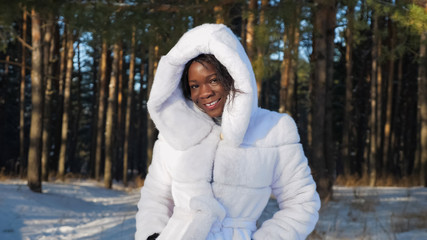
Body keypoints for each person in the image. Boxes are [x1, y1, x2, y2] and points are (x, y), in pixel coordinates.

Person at [135, 23, 320, 240]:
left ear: (234, 75)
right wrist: (153, 235)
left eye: (213, 80)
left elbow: (301, 202)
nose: (204, 93)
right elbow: (155, 198)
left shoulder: (275, 130)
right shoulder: (173, 134)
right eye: (194, 85)